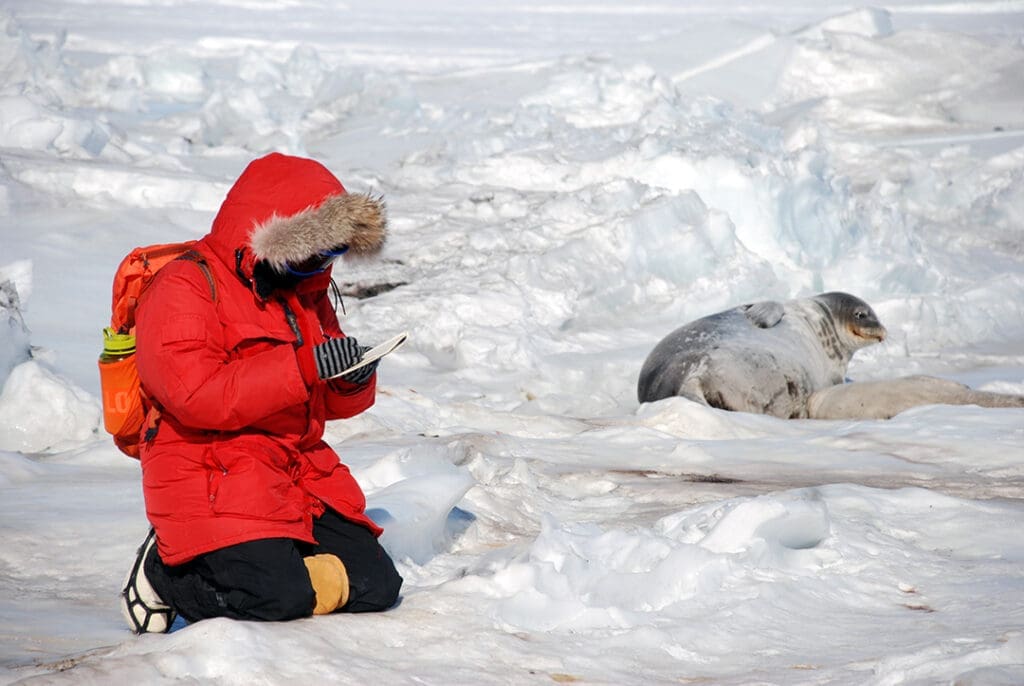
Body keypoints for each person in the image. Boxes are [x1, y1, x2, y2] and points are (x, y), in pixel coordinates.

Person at [119, 153, 403, 633]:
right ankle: (167, 572)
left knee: (377, 584)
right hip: (209, 467)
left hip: (294, 469)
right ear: (273, 238)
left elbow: (322, 401)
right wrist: (301, 366)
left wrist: (350, 381)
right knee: (277, 598)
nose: (321, 266)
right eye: (314, 251)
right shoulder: (185, 285)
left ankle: (271, 562)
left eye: (332, 254)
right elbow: (196, 394)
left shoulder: (307, 291)